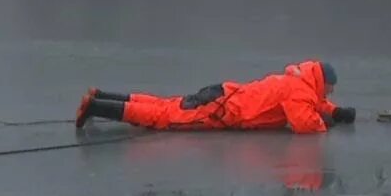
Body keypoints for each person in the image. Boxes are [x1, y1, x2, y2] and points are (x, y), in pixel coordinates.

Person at [75, 60, 356, 134]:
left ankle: (102, 95)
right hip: (222, 110)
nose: (330, 93)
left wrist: (335, 111)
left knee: (167, 104)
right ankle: (97, 106)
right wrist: (325, 124)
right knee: (164, 118)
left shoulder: (298, 81)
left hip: (222, 94)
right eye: (330, 89)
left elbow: (312, 104)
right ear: (322, 82)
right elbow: (305, 124)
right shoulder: (300, 93)